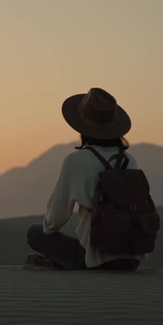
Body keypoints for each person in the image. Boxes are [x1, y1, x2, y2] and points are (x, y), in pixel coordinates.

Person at [26, 87, 144, 270]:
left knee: (34, 233)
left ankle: (64, 262)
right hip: (131, 257)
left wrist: (49, 231)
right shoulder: (129, 160)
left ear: (82, 127)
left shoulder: (76, 161)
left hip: (94, 258)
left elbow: (55, 218)